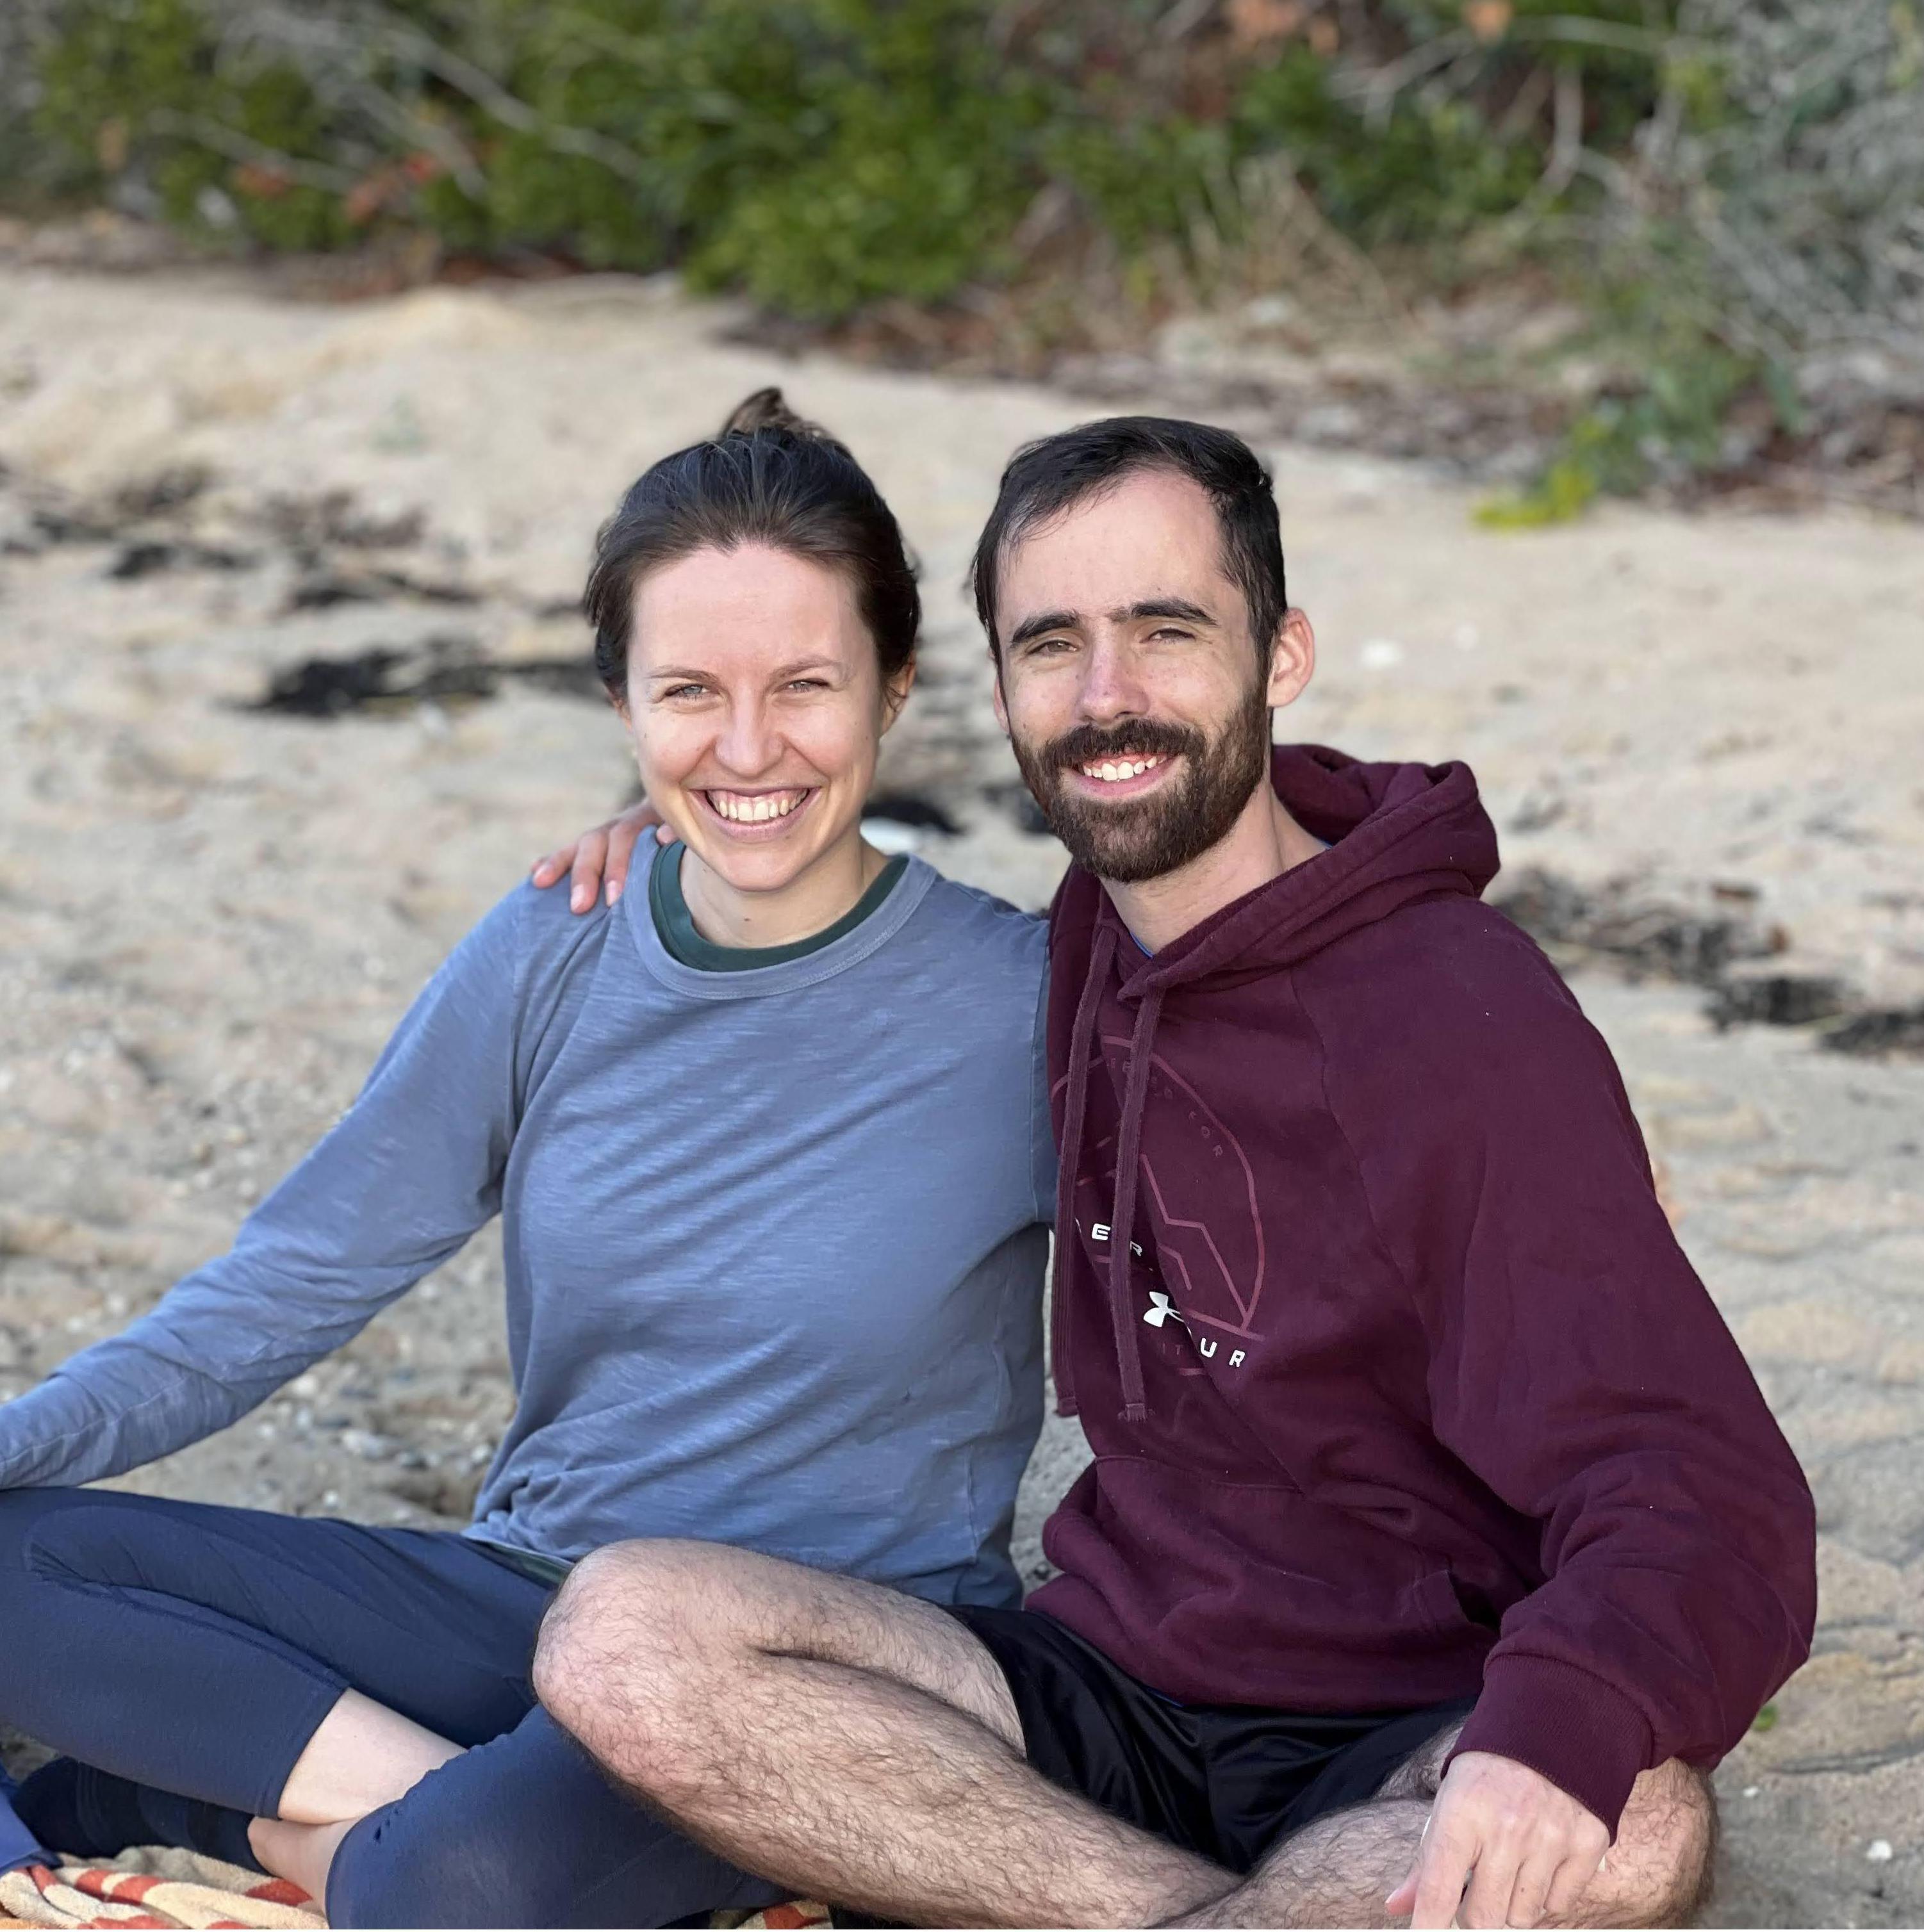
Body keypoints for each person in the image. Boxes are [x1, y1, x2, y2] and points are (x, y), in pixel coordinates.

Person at [532, 416, 1818, 1929]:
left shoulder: (1456, 1018)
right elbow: (853, 929)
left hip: (1399, 1727)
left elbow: (1704, 1486)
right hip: (1110, 1678)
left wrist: (1548, 1738)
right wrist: (684, 827)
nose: (1105, 697)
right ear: (998, 688)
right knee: (620, 1635)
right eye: (1050, 645)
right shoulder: (1087, 928)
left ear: (1278, 655)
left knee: (1637, 1826)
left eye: (1163, 630)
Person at [0, 391, 1057, 1927]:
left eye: (805, 686)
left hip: (812, 1675)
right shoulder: (558, 943)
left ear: (894, 687)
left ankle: (207, 1799)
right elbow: (295, 1276)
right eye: (688, 689)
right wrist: (18, 1436)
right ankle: (381, 1804)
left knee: (461, 1882)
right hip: (529, 1598)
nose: (746, 746)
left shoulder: (1033, 1002)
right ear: (622, 699)